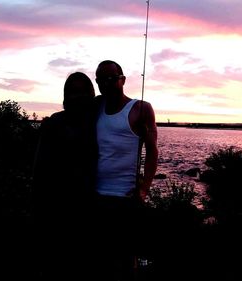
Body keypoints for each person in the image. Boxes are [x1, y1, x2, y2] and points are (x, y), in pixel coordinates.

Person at [93, 60, 158, 280]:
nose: (107, 83)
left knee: (126, 259)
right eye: (102, 79)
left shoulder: (141, 108)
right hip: (96, 197)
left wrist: (144, 189)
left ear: (123, 80)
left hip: (125, 199)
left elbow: (152, 151)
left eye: (112, 78)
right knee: (101, 259)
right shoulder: (96, 107)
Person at [32, 71, 98, 278]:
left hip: (92, 206)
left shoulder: (100, 122)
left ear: (91, 94)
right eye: (72, 92)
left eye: (83, 92)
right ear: (65, 96)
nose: (77, 97)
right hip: (57, 207)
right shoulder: (54, 122)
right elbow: (39, 168)